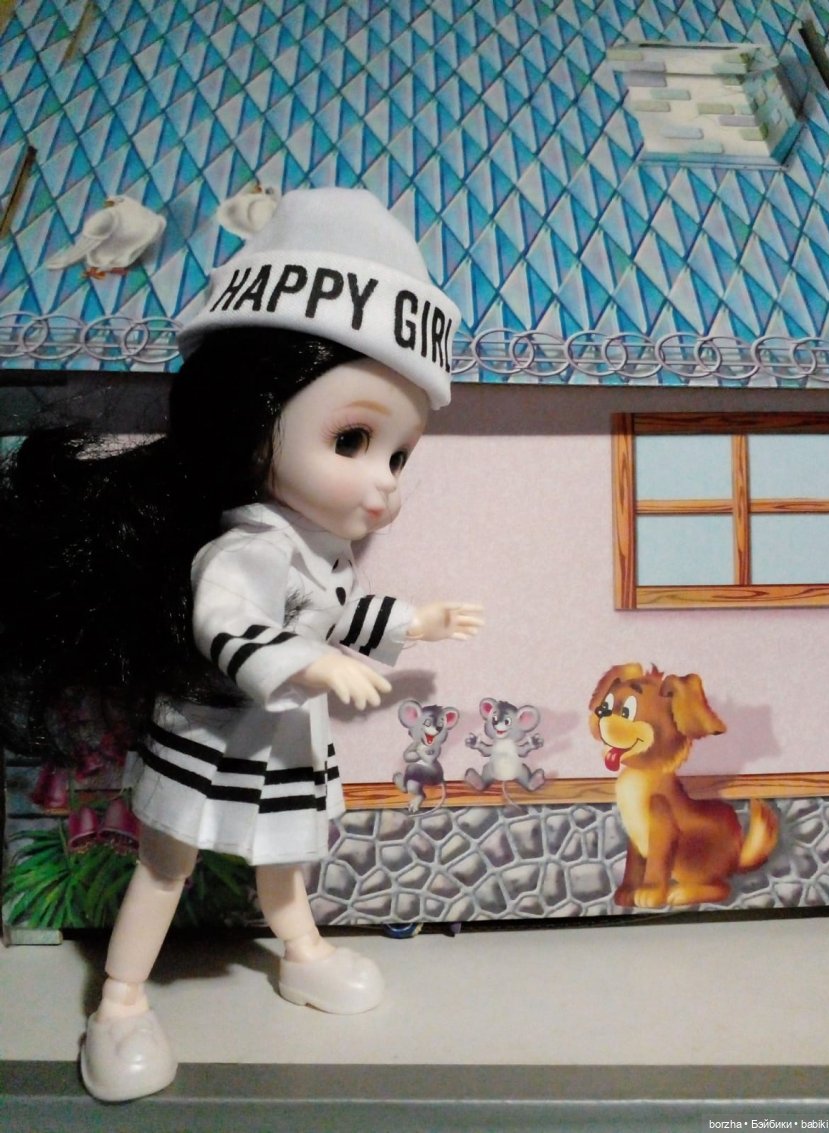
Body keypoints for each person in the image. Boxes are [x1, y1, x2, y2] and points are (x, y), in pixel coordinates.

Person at [0, 188, 482, 1101]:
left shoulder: (316, 546)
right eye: (353, 438)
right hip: (213, 739)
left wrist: (411, 622)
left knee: (285, 854)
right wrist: (311, 663)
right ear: (252, 415)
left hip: (280, 743)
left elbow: (337, 610)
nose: (385, 483)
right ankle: (121, 999)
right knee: (166, 864)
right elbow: (229, 624)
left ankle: (299, 948)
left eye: (398, 454)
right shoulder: (245, 546)